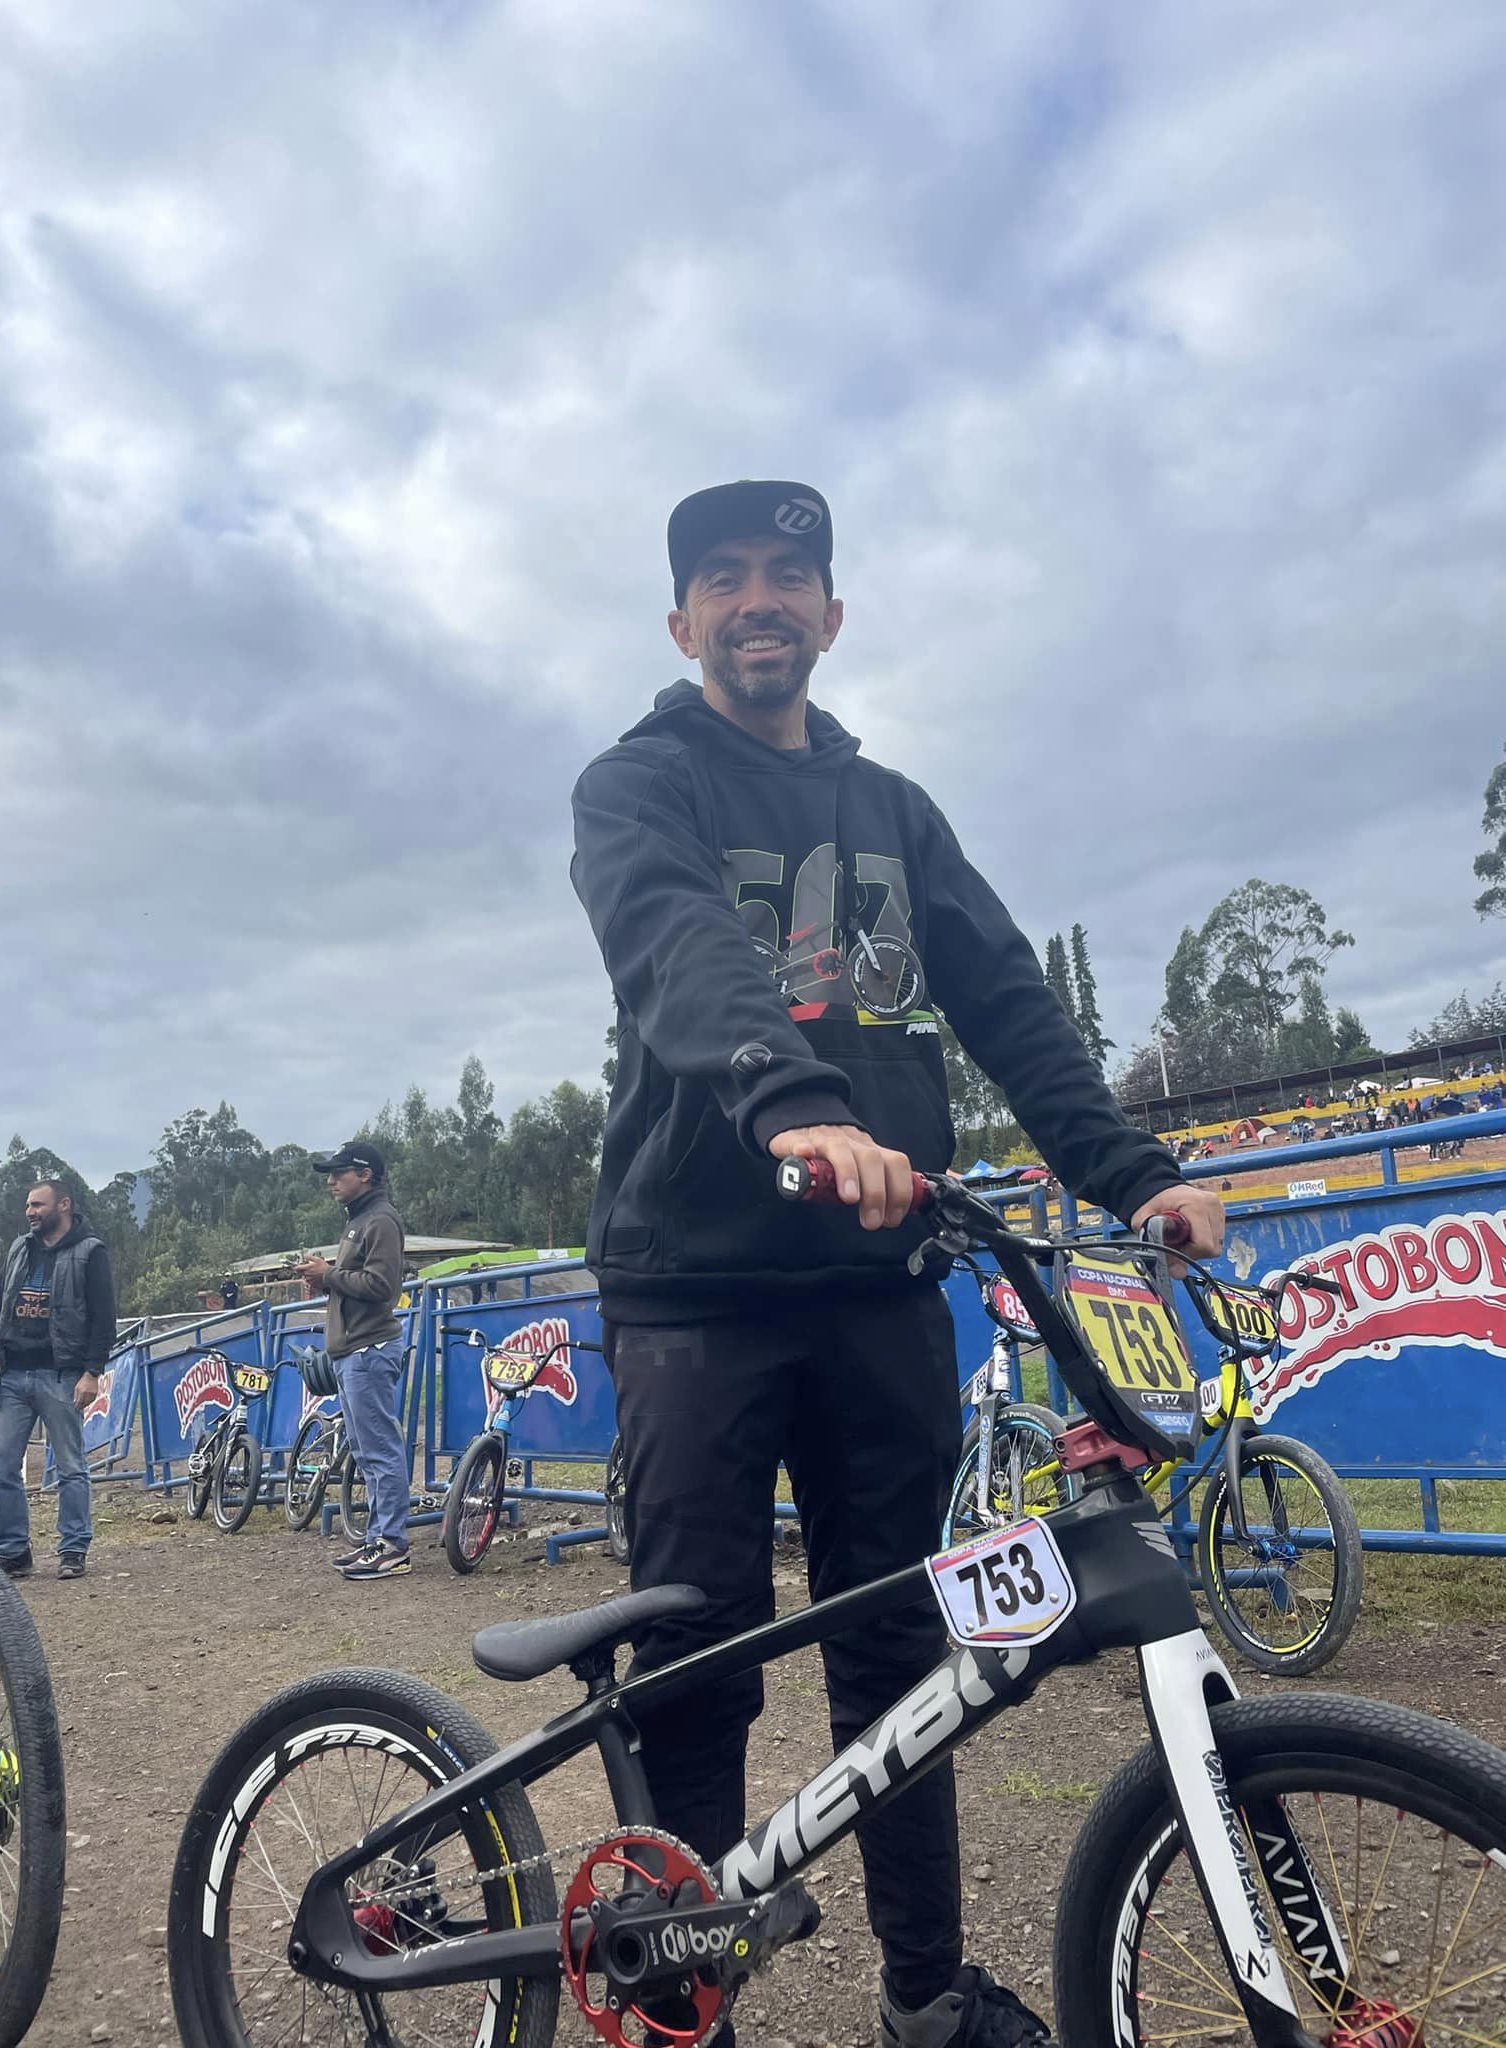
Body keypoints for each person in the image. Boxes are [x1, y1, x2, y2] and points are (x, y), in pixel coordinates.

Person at [570, 479, 1225, 2048]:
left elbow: (1007, 1000)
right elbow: (677, 946)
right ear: (682, 621)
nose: (760, 600)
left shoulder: (896, 812)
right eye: (726, 577)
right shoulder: (639, 784)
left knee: (898, 1650)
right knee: (700, 1653)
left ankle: (926, 1996)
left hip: (877, 1284)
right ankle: (678, 2003)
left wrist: (1136, 1173)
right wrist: (794, 1105)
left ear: (834, 614)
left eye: (789, 575)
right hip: (697, 1290)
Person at [0, 1179, 115, 1580]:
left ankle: (73, 1549)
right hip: (11, 1374)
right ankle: (13, 1550)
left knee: (71, 1466)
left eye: (38, 1205)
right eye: (28, 1206)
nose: (30, 1212)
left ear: (63, 1205)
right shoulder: (20, 1248)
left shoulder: (91, 1252)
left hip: (61, 1375)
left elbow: (104, 1318)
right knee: (3, 1467)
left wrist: (92, 1372)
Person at [297, 1142, 410, 1580]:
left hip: (369, 1351)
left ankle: (392, 1545)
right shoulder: (359, 1221)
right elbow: (357, 1282)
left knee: (380, 1451)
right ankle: (377, 1539)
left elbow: (382, 1286)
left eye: (339, 1172)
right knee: (366, 1452)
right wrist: (326, 1279)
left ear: (365, 1174)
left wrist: (329, 1275)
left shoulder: (380, 1220)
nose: (331, 1181)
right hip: (353, 1353)